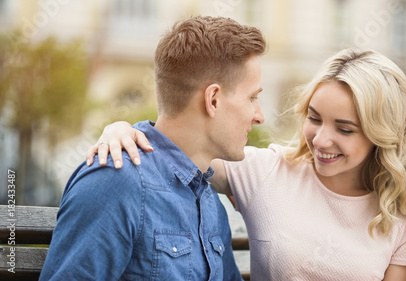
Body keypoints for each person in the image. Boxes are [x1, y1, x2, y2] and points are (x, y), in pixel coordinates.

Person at [89, 49, 406, 281]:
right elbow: (180, 146)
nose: (320, 139)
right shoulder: (267, 171)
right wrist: (123, 128)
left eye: (345, 129)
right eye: (315, 118)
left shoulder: (404, 215)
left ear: (382, 136)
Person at [40, 16, 267, 280]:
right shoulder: (115, 181)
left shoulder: (208, 199)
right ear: (213, 100)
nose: (259, 115)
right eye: (252, 97)